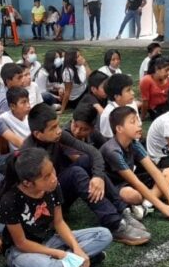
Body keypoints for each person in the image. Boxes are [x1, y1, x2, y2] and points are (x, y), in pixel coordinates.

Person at [22, 104, 149, 245]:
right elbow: (29, 192)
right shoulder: (28, 154)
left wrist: (98, 176)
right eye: (53, 128)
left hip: (58, 188)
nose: (58, 131)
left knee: (86, 160)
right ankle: (114, 223)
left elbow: (93, 152)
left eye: (57, 125)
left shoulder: (59, 136)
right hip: (46, 202)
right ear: (37, 134)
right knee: (76, 173)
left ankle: (121, 210)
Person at [0, 148, 112, 267]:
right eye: (47, 176)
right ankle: (78, 266)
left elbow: (59, 222)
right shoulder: (10, 201)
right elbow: (21, 243)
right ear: (27, 183)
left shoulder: (53, 186)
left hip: (50, 240)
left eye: (53, 171)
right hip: (21, 252)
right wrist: (61, 254)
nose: (54, 178)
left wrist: (77, 249)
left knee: (104, 235)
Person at [102, 106, 169, 220]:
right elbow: (135, 182)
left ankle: (145, 206)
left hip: (132, 180)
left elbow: (154, 171)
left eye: (138, 120)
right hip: (116, 186)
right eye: (133, 122)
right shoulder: (112, 151)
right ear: (119, 129)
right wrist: (163, 207)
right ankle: (156, 195)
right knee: (133, 196)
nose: (139, 124)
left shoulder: (134, 143)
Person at [99, 74, 141, 139]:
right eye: (128, 90)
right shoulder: (107, 115)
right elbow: (108, 138)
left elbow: (139, 126)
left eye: (131, 89)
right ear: (117, 96)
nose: (133, 93)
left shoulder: (132, 104)